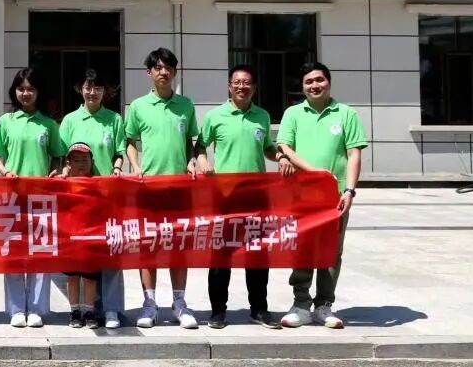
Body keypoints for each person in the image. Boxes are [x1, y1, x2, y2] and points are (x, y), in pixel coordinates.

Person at [276, 62, 367, 329]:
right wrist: (312, 171)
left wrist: (350, 190)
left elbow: (354, 153)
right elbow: (284, 146)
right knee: (302, 249)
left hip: (335, 197)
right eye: (309, 82)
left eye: (319, 80)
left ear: (328, 82)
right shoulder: (293, 113)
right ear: (302, 87)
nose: (314, 85)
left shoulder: (346, 113)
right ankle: (301, 304)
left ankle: (324, 305)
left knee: (332, 253)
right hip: (302, 196)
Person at [194, 64, 283, 329]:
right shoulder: (215, 116)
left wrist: (279, 156)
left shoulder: (262, 116)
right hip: (224, 196)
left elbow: (267, 147)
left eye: (247, 83)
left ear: (254, 88)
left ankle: (259, 309)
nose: (241, 87)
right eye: (237, 82)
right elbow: (200, 146)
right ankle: (218, 311)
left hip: (256, 196)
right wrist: (202, 161)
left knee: (257, 254)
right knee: (221, 255)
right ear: (229, 86)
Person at [124, 48, 200, 329]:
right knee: (149, 246)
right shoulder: (138, 106)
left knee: (179, 246)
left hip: (179, 189)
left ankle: (179, 303)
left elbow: (191, 143)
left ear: (175, 72)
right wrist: (135, 166)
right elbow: (130, 141)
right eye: (158, 67)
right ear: (149, 73)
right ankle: (150, 304)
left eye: (168, 67)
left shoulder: (186, 105)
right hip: (149, 189)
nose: (163, 72)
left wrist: (192, 160)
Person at [0, 67, 66, 328]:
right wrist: (5, 171)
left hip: (41, 198)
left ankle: (37, 309)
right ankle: (15, 309)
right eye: (21, 89)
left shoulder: (49, 124)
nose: (25, 93)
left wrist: (54, 171)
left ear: (38, 92)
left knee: (39, 254)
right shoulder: (6, 121)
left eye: (31, 89)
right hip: (12, 198)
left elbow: (58, 155)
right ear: (14, 92)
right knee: (13, 253)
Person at [58, 68, 126, 329]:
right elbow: (61, 156)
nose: (92, 92)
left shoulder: (114, 119)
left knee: (111, 252)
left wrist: (117, 169)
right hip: (77, 200)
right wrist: (63, 173)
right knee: (80, 255)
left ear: (104, 91)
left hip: (107, 197)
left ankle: (111, 309)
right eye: (88, 87)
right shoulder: (70, 120)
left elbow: (119, 151)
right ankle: (83, 309)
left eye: (98, 88)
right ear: (81, 90)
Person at [59, 142, 100, 329]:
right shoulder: (62, 184)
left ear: (92, 161)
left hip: (92, 237)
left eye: (85, 159)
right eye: (76, 160)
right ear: (69, 164)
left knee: (90, 278)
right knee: (73, 277)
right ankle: (75, 311)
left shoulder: (99, 184)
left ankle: (89, 311)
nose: (81, 164)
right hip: (70, 238)